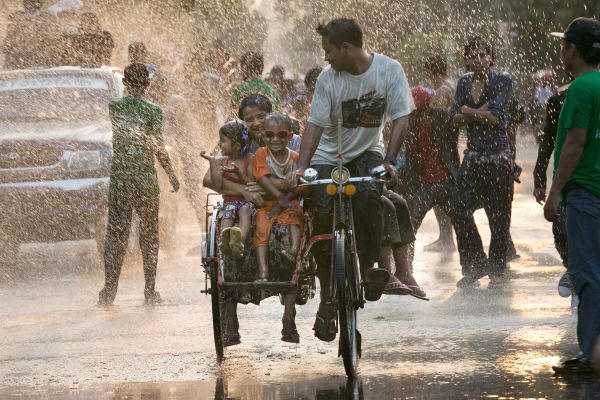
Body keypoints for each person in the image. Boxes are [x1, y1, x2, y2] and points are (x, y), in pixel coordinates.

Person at [296, 17, 415, 341]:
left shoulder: (389, 70)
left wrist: (389, 161)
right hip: (327, 156)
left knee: (368, 201)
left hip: (368, 154)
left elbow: (401, 118)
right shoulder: (328, 78)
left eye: (328, 51)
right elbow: (314, 126)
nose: (326, 58)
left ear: (347, 48)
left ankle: (364, 268)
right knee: (321, 221)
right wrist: (302, 170)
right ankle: (326, 299)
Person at [98, 63, 180, 306]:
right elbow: (157, 146)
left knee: (116, 234)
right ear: (147, 84)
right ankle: (150, 290)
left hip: (121, 179)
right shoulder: (154, 111)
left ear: (124, 82)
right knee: (149, 235)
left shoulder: (114, 108)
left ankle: (109, 293)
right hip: (145, 180)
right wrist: (172, 175)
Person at [545, 17, 600, 375]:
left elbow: (575, 142)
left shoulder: (580, 89)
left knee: (587, 274)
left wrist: (554, 193)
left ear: (573, 50)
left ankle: (590, 357)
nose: (560, 50)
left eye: (564, 44)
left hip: (585, 193)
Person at [451, 36, 514, 290]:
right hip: (474, 156)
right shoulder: (464, 82)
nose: (478, 60)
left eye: (482, 55)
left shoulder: (503, 80)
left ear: (491, 58)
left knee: (499, 216)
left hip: (499, 157)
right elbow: (453, 119)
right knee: (459, 209)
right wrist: (477, 113)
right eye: (472, 56)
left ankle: (497, 269)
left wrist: (468, 111)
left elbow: (496, 118)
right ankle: (475, 264)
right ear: (466, 59)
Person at [252, 112, 303, 343]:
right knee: (262, 227)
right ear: (263, 136)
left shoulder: (295, 157)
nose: (275, 139)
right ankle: (263, 272)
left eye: (281, 135)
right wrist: (279, 200)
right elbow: (262, 180)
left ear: (289, 135)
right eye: (270, 135)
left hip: (289, 203)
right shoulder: (261, 154)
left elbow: (298, 184)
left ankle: (293, 251)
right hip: (267, 202)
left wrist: (287, 199)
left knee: (296, 218)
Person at [532, 84, 571, 299]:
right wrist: (539, 179)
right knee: (561, 229)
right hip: (566, 179)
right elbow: (547, 141)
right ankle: (572, 267)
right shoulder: (558, 101)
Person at [201, 120, 254, 260]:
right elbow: (217, 185)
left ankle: (239, 240)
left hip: (246, 203)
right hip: (230, 201)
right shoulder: (221, 160)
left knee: (245, 211)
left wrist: (240, 177)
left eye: (223, 141)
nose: (219, 144)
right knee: (227, 213)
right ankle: (224, 238)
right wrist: (213, 162)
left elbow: (252, 183)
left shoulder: (249, 160)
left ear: (237, 146)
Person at [421, 54, 456, 253]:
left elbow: (437, 120)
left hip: (440, 149)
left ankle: (446, 238)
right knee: (442, 192)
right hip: (444, 147)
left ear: (430, 71)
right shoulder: (446, 87)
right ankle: (445, 237)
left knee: (440, 191)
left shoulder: (442, 90)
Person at [2, 0, 54, 68]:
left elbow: (48, 42)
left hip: (35, 58)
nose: (31, 16)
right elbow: (8, 43)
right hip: (19, 58)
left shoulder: (46, 18)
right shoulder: (16, 18)